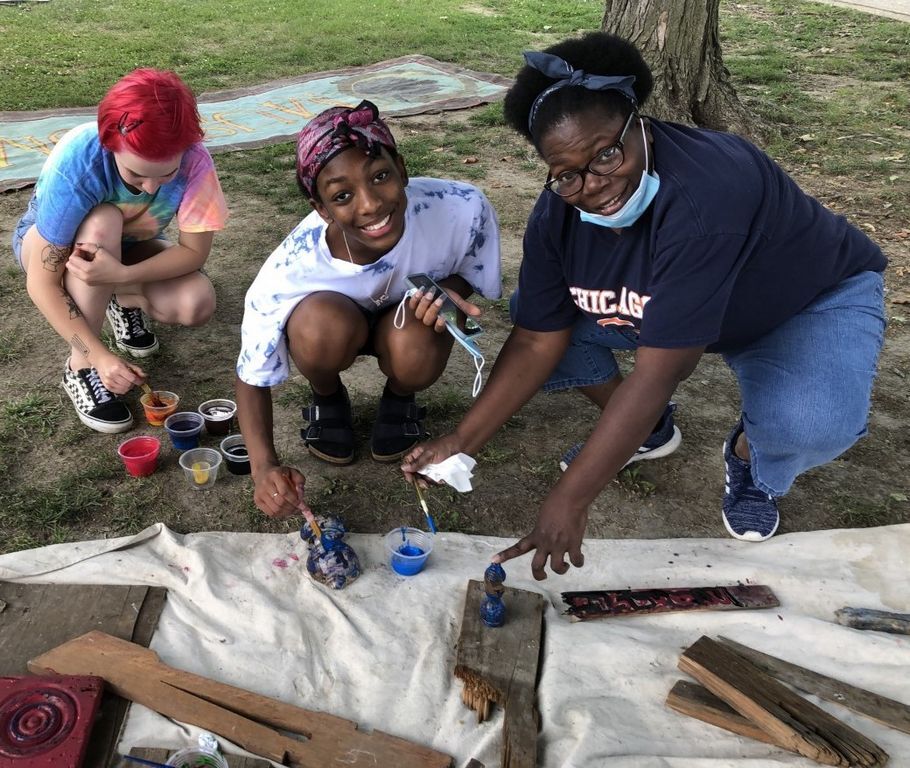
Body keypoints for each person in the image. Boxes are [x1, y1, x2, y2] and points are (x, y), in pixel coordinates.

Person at [402, 32, 887, 580]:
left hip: (801, 304)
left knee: (811, 425)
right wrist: (459, 440)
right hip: (683, 311)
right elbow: (539, 339)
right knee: (544, 318)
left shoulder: (707, 197)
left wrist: (569, 500)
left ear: (641, 123)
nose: (595, 185)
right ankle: (645, 427)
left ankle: (753, 456)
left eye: (607, 153)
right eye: (566, 173)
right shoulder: (556, 216)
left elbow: (661, 371)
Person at [235, 100, 501, 519]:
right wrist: (263, 465)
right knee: (320, 326)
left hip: (404, 326)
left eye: (380, 177)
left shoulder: (459, 207)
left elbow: (471, 262)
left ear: (402, 168)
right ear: (320, 208)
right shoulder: (290, 269)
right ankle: (327, 397)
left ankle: (400, 398)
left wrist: (450, 290)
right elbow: (251, 374)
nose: (371, 204)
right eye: (342, 196)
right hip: (336, 326)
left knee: (420, 330)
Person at [12, 68, 228, 434]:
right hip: (53, 249)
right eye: (135, 175)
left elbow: (194, 252)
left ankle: (120, 300)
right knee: (103, 221)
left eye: (166, 174)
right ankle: (78, 369)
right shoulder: (79, 160)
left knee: (196, 302)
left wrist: (123, 277)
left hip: (125, 253)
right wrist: (97, 356)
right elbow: (42, 283)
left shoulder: (196, 162)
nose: (148, 188)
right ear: (110, 144)